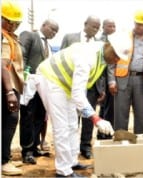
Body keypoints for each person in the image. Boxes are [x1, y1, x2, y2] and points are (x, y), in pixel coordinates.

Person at [34, 33, 129, 177]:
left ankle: (71, 162)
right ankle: (64, 171)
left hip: (66, 85)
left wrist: (87, 110)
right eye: (115, 55)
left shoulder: (102, 55)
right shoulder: (88, 56)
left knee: (73, 124)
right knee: (62, 127)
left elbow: (81, 88)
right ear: (108, 45)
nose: (116, 59)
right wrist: (96, 118)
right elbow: (78, 94)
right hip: (51, 80)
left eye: (119, 58)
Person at [108, 10, 143, 134]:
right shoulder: (122, 36)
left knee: (140, 115)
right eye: (138, 24)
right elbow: (111, 60)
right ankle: (120, 142)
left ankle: (139, 143)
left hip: (142, 82)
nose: (141, 27)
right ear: (134, 23)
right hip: (122, 80)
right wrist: (111, 81)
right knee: (120, 114)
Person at [60, 15, 103, 159]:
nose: (96, 30)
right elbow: (61, 59)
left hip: (91, 86)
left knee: (88, 116)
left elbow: (100, 66)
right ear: (85, 24)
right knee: (72, 118)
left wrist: (101, 88)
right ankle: (71, 149)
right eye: (93, 26)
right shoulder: (70, 38)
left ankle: (85, 146)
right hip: (71, 85)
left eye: (98, 27)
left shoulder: (98, 44)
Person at [19, 19, 59, 164]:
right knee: (27, 117)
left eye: (56, 32)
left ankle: (35, 147)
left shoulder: (48, 45)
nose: (54, 33)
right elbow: (21, 55)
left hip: (43, 87)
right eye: (52, 29)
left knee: (39, 118)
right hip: (28, 84)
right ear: (43, 25)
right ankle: (27, 151)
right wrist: (23, 75)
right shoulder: (29, 35)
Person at [1, 0, 24, 175]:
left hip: (8, 86)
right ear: (6, 20)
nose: (16, 26)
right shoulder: (3, 36)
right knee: (9, 121)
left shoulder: (8, 36)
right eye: (15, 23)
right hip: (5, 87)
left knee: (8, 122)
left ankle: (5, 158)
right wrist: (9, 91)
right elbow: (3, 64)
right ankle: (3, 161)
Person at [97, 18, 116, 140]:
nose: (113, 29)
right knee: (104, 108)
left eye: (114, 26)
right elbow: (108, 65)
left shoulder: (115, 41)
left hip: (110, 79)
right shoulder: (100, 42)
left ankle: (105, 132)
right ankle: (103, 133)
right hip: (102, 80)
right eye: (109, 26)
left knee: (109, 108)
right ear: (103, 27)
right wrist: (110, 82)